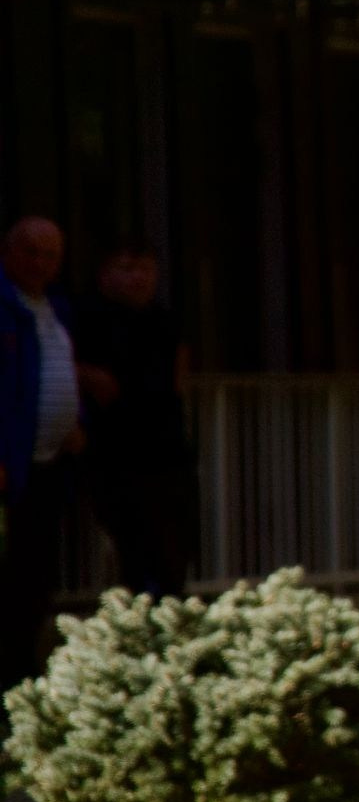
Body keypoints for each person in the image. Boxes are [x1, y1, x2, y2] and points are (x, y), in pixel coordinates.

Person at [76, 245, 194, 599]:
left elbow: (179, 379)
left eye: (145, 268)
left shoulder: (165, 322)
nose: (138, 277)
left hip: (165, 451)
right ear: (105, 275)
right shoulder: (86, 319)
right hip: (112, 452)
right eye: (127, 268)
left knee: (170, 551)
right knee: (127, 549)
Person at [0, 218, 81, 702]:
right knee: (9, 577)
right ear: (8, 251)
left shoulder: (55, 307)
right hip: (10, 468)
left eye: (50, 255)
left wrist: (74, 419)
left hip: (48, 466)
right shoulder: (4, 305)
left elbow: (59, 370)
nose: (40, 263)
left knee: (35, 575)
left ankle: (23, 680)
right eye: (31, 251)